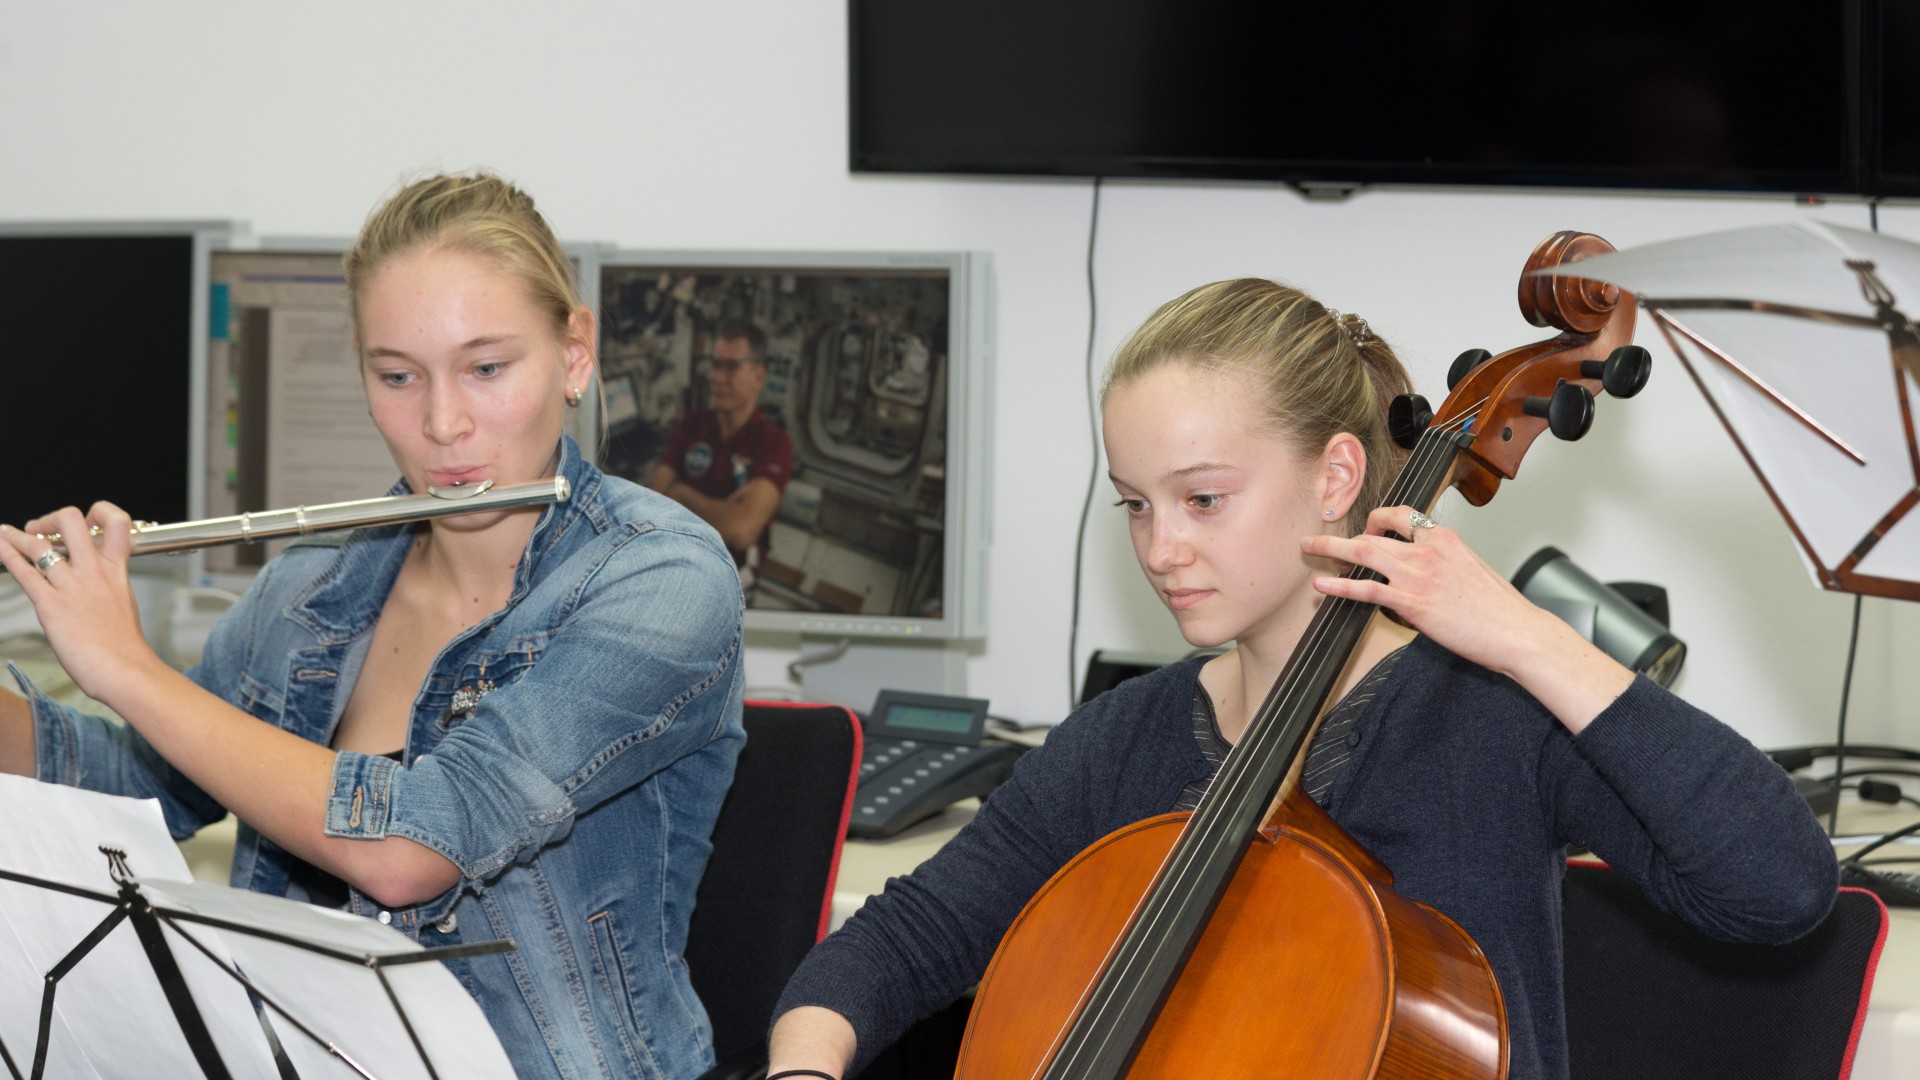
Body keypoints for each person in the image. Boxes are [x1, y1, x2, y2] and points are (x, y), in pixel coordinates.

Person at [764, 278, 1838, 1080]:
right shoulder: (1119, 742)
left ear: (1335, 475)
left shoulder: (1491, 716)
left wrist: (1519, 633)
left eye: (1203, 499)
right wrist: (806, 1064)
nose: (1160, 547)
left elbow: (1778, 889)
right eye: (1135, 503)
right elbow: (896, 944)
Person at [0, 172, 746, 1080]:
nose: (442, 423)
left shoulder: (662, 576)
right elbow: (128, 778)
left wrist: (125, 664)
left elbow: (414, 847)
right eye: (397, 376)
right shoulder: (318, 581)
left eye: (487, 368)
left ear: (575, 353)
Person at [649, 319, 794, 577]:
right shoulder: (692, 426)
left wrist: (681, 495)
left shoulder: (774, 443)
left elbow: (741, 529)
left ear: (758, 376)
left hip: (731, 580)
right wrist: (722, 510)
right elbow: (653, 502)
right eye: (715, 365)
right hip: (677, 567)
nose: (717, 377)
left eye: (731, 367)